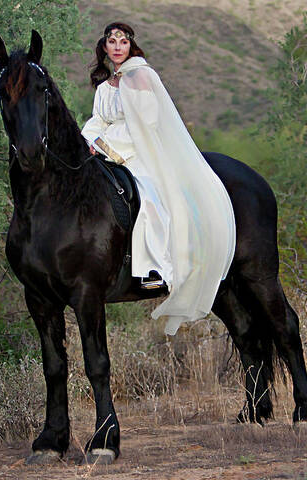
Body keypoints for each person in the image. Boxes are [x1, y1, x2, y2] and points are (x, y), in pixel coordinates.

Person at [81, 23, 236, 335]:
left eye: (123, 41)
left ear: (130, 46)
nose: (117, 47)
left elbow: (147, 120)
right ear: (104, 47)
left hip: (139, 152)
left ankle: (153, 268)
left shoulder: (140, 76)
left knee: (148, 198)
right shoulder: (105, 85)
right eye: (112, 42)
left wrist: (108, 145)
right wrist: (88, 141)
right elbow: (99, 119)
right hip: (106, 151)